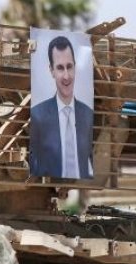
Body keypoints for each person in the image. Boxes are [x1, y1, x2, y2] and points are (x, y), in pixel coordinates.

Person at [29, 35, 94, 179]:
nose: (66, 76)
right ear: (51, 70)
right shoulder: (37, 116)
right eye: (60, 68)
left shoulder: (88, 115)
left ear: (75, 67)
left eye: (69, 67)